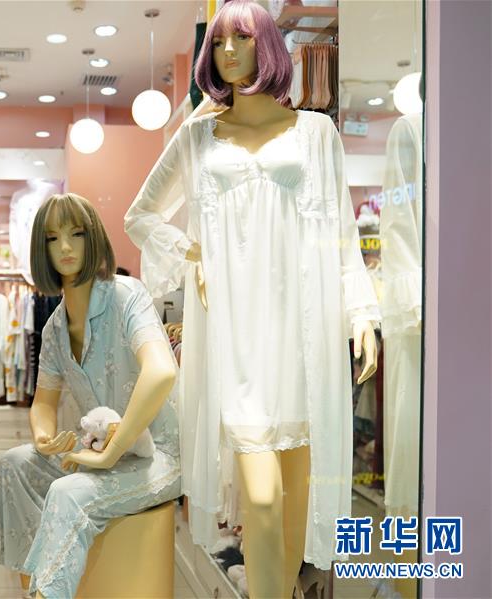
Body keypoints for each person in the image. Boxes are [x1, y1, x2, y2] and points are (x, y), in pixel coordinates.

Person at [124, 2, 380, 596]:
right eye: (217, 43)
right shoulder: (197, 136)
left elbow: (342, 235)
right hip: (236, 333)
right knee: (262, 499)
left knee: (294, 502)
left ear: (266, 46)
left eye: (240, 39)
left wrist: (361, 312)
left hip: (303, 330)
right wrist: (191, 253)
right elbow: (141, 215)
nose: (228, 52)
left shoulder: (317, 133)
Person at [0, 193, 181, 599]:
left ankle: (49, 593)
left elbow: (162, 370)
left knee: (69, 493)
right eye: (52, 238)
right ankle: (32, 585)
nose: (64, 246)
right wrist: (45, 437)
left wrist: (113, 451)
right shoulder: (54, 329)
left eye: (76, 234)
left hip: (157, 457)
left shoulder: (126, 295)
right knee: (15, 464)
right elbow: (43, 403)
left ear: (92, 237)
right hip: (95, 450)